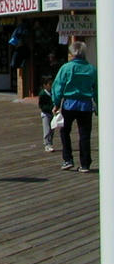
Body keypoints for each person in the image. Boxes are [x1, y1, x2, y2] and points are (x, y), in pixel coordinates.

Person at [52, 41, 98, 173]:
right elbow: (97, 89)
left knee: (64, 131)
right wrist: (98, 106)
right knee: (84, 134)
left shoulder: (66, 68)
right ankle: (85, 164)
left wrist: (56, 103)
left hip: (69, 104)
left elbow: (58, 86)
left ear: (72, 53)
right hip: (85, 105)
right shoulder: (91, 69)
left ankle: (68, 159)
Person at [38, 75, 55, 152]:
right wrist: (49, 108)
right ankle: (47, 144)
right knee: (47, 130)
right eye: (49, 84)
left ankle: (50, 143)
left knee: (52, 129)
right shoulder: (42, 94)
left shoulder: (52, 93)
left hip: (52, 114)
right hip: (45, 114)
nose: (51, 86)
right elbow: (41, 105)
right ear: (45, 85)